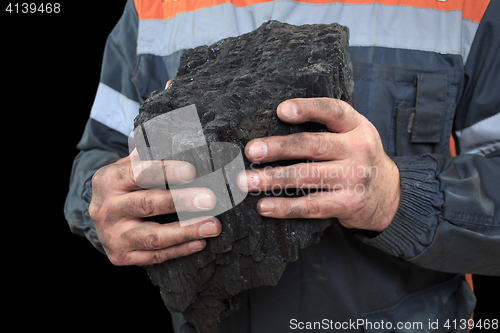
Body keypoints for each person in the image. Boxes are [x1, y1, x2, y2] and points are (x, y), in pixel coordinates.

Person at [64, 0, 500, 332]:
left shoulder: (465, 8)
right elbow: (100, 157)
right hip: (208, 307)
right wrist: (102, 202)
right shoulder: (153, 8)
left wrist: (397, 197)